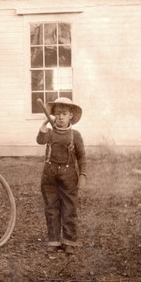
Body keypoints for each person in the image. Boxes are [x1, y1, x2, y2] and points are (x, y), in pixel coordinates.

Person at [36, 97, 87, 255]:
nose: (60, 117)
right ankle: (54, 240)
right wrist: (44, 126)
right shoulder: (50, 133)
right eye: (57, 114)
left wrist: (83, 175)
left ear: (71, 116)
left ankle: (69, 241)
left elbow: (82, 157)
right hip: (49, 174)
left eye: (64, 114)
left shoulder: (75, 135)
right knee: (51, 207)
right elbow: (40, 140)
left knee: (69, 207)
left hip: (69, 174)